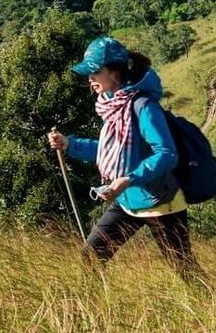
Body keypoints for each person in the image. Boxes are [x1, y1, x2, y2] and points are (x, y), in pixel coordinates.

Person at [47, 36, 206, 287]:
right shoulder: (111, 106)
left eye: (95, 72)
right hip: (127, 200)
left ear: (114, 72)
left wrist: (128, 179)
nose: (90, 79)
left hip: (160, 202)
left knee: (184, 268)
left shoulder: (143, 106)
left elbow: (167, 154)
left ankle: (214, 316)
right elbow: (113, 151)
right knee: (91, 257)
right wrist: (70, 144)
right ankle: (95, 317)